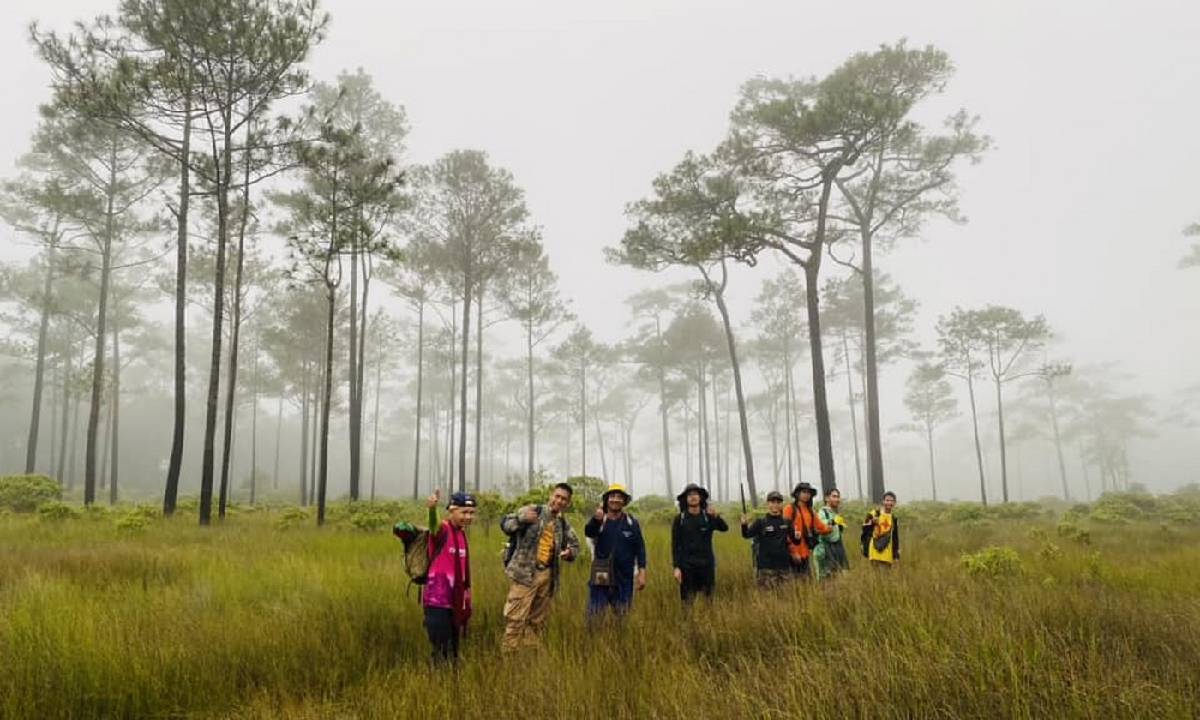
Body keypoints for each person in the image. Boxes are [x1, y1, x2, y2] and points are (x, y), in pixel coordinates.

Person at [499, 482, 581, 651]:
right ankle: (509, 654)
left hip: (547, 576)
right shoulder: (533, 511)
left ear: (568, 503)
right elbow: (506, 524)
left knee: (536, 620)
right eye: (557, 496)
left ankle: (530, 652)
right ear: (551, 495)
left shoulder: (562, 524)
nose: (559, 501)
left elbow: (575, 545)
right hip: (524, 575)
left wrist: (569, 553)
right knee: (515, 618)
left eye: (564, 499)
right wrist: (522, 519)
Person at [422, 489, 475, 663]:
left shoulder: (461, 534)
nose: (468, 517)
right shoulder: (443, 529)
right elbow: (433, 526)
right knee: (440, 649)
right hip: (438, 601)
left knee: (453, 651)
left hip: (455, 601)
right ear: (451, 510)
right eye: (464, 512)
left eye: (471, 513)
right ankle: (436, 684)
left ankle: (451, 683)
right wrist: (432, 510)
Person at [584, 483, 647, 616]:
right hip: (601, 575)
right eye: (612, 496)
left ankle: (618, 637)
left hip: (625, 577)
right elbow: (589, 532)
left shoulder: (631, 523)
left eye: (619, 497)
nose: (615, 499)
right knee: (594, 617)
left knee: (622, 617)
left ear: (624, 501)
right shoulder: (600, 519)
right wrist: (596, 520)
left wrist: (642, 573)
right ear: (607, 500)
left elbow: (640, 548)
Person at [670, 483, 729, 604]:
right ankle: (688, 623)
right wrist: (676, 567)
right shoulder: (679, 519)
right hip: (687, 567)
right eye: (690, 494)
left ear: (700, 497)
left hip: (706, 565)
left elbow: (724, 528)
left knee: (708, 600)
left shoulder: (708, 517)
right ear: (685, 499)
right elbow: (675, 545)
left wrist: (716, 516)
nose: (693, 497)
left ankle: (708, 622)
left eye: (695, 494)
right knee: (687, 602)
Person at [740, 490, 793, 588]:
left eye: (778, 502)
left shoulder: (787, 522)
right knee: (767, 599)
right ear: (768, 504)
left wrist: (797, 537)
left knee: (787, 598)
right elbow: (746, 535)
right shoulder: (760, 522)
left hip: (784, 566)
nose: (775, 505)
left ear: (782, 504)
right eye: (773, 502)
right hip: (766, 567)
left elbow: (795, 540)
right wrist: (744, 525)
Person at [781, 481, 831, 578]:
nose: (806, 495)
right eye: (804, 492)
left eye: (809, 493)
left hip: (805, 553)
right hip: (791, 554)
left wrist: (830, 527)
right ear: (797, 494)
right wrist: (793, 551)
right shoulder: (789, 509)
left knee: (806, 582)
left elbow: (821, 527)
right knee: (792, 584)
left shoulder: (810, 511)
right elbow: (784, 532)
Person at [815, 488, 850, 579]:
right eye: (834, 496)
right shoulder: (822, 512)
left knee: (840, 575)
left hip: (838, 547)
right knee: (828, 578)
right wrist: (832, 522)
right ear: (826, 498)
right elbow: (821, 527)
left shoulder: (835, 514)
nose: (837, 499)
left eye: (838, 497)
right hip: (826, 549)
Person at [861, 490, 901, 567]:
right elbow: (864, 528)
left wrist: (896, 555)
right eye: (887, 500)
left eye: (892, 501)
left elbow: (895, 537)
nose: (889, 503)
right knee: (875, 576)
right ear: (883, 501)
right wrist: (872, 522)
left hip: (887, 553)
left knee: (886, 577)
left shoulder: (894, 518)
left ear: (895, 503)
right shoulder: (874, 513)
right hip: (874, 551)